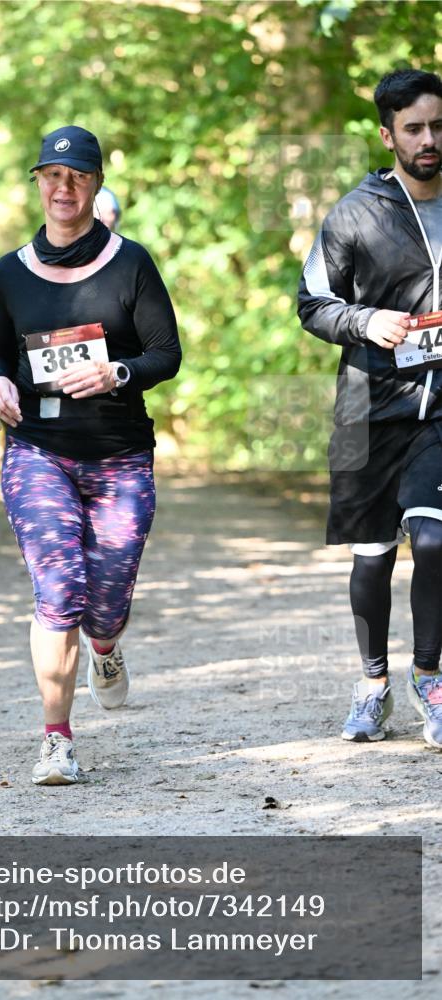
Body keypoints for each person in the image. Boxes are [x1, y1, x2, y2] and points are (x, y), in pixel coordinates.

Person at [0, 125, 181, 785]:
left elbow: (165, 354)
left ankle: (106, 644)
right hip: (38, 449)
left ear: (95, 185)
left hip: (119, 454)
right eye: (52, 175)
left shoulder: (131, 263)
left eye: (78, 177)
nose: (63, 188)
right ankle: (57, 740)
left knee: (106, 601)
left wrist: (116, 372)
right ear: (39, 182)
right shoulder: (10, 272)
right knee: (59, 589)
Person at [298, 68, 442, 749]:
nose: (428, 139)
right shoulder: (355, 213)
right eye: (413, 129)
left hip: (437, 411)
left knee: (435, 541)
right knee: (373, 556)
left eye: (437, 126)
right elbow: (312, 303)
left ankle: (429, 677)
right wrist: (365, 321)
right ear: (387, 135)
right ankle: (371, 683)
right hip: (366, 408)